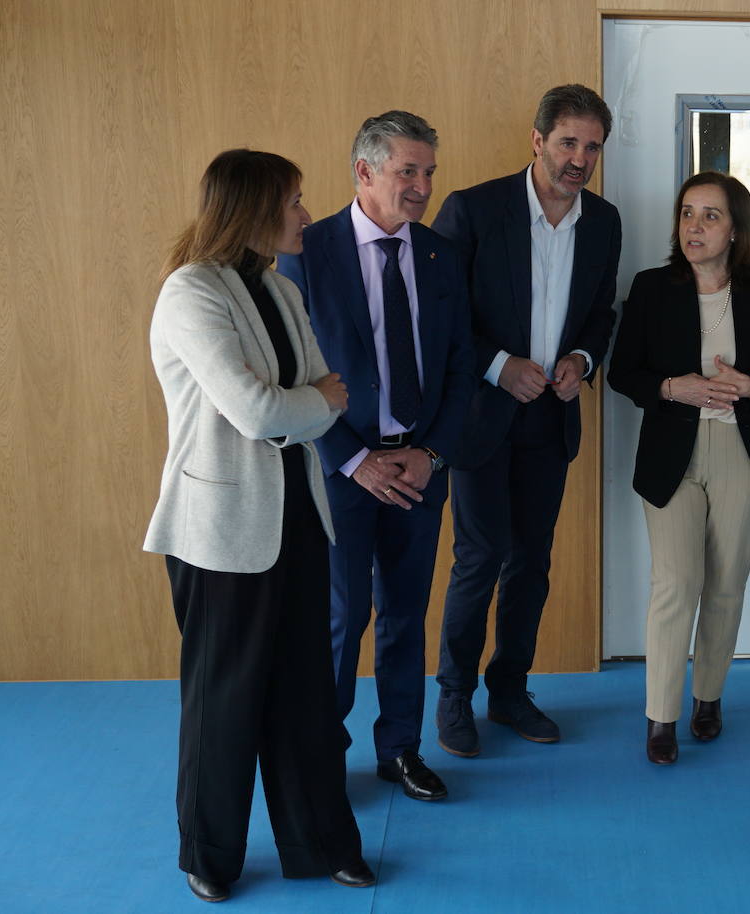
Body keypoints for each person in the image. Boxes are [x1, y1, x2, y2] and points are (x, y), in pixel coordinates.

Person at [144, 149, 373, 901]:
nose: (307, 213)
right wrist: (308, 406)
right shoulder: (190, 292)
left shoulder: (280, 288)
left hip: (300, 519)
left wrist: (300, 406)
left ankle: (322, 842)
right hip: (219, 529)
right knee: (225, 699)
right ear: (252, 208)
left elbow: (305, 394)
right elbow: (268, 408)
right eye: (295, 201)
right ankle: (208, 855)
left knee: (306, 695)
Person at [276, 111, 475, 801]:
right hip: (341, 471)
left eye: (428, 173)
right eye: (407, 172)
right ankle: (322, 756)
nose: (421, 187)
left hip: (418, 468)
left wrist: (432, 453)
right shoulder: (307, 251)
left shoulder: (440, 253)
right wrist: (352, 459)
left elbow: (460, 365)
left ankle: (399, 750)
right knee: (340, 615)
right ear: (364, 172)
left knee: (403, 615)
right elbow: (290, 373)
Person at [430, 84, 620, 756]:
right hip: (482, 418)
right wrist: (498, 365)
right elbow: (439, 317)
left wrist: (582, 359)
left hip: (549, 420)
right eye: (568, 142)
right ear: (537, 141)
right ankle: (454, 698)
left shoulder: (603, 221)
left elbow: (602, 314)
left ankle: (509, 691)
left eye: (592, 146)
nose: (580, 158)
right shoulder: (474, 210)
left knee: (531, 564)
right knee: (478, 559)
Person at [608, 172, 750, 764]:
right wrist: (674, 387)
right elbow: (623, 374)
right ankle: (660, 718)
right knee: (675, 584)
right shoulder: (650, 287)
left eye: (710, 215)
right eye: (687, 213)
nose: (694, 226)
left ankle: (709, 697)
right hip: (672, 455)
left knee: (725, 585)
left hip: (743, 454)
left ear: (736, 228)